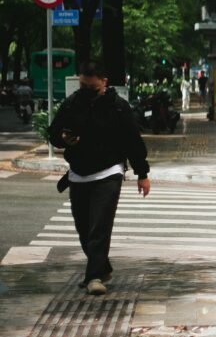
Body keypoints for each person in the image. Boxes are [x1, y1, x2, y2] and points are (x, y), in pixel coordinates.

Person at [48, 59, 150, 296]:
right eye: (83, 86)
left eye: (91, 87)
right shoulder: (73, 103)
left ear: (104, 82)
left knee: (99, 227)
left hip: (109, 172)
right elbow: (54, 132)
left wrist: (142, 174)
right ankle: (101, 267)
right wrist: (64, 138)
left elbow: (133, 142)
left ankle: (93, 276)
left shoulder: (118, 107)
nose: (86, 92)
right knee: (83, 227)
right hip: (78, 173)